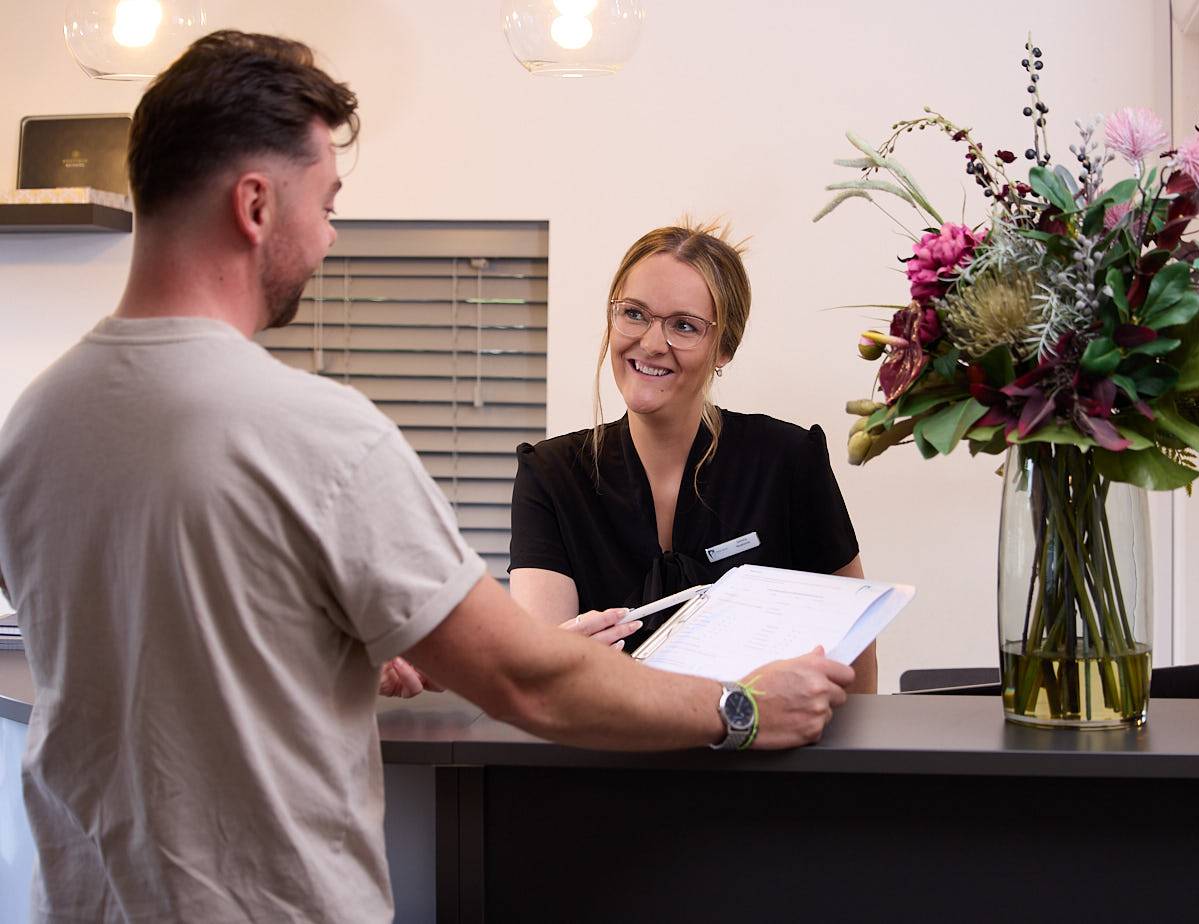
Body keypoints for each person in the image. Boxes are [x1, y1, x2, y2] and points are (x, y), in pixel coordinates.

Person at [0, 32, 853, 923]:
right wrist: (740, 710)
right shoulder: (317, 435)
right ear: (254, 204)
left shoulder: (36, 422)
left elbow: (156, 654)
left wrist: (336, 652)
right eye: (325, 203)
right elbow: (534, 681)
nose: (329, 236)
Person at [509, 224, 878, 692]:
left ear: (724, 348)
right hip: (599, 756)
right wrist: (554, 661)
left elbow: (855, 665)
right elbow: (540, 682)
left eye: (683, 325)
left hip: (769, 758)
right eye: (635, 314)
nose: (651, 343)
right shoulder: (551, 475)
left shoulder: (788, 462)